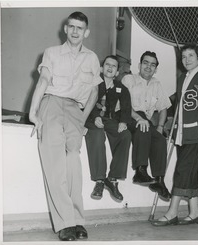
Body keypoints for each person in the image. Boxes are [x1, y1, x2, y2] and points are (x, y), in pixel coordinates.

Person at [29, 12, 102, 241]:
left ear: (86, 32)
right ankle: (65, 223)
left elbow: (94, 91)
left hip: (74, 110)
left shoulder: (92, 58)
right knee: (55, 165)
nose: (74, 31)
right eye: (71, 26)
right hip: (51, 104)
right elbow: (43, 81)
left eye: (79, 28)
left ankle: (78, 219)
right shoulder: (51, 53)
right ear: (65, 29)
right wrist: (33, 111)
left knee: (73, 164)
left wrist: (83, 118)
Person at [152, 43, 198, 226]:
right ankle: (194, 213)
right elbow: (179, 105)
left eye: (191, 56)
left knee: (182, 171)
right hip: (182, 132)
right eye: (183, 57)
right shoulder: (182, 78)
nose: (186, 60)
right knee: (188, 172)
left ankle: (172, 212)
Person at [122, 51, 172, 201]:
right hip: (128, 115)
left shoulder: (157, 84)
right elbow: (124, 105)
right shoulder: (129, 79)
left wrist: (160, 126)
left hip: (145, 120)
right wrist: (138, 118)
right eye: (145, 63)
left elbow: (163, 107)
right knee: (143, 126)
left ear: (156, 68)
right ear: (139, 65)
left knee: (160, 139)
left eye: (152, 64)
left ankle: (159, 180)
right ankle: (140, 171)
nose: (148, 67)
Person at [85, 55, 131, 202]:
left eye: (114, 66)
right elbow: (85, 102)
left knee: (125, 135)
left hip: (108, 119)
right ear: (102, 68)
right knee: (97, 135)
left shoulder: (120, 88)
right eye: (107, 65)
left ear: (117, 72)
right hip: (91, 117)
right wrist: (95, 116)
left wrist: (123, 122)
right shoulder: (93, 82)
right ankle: (100, 181)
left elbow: (126, 107)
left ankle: (113, 178)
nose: (110, 68)